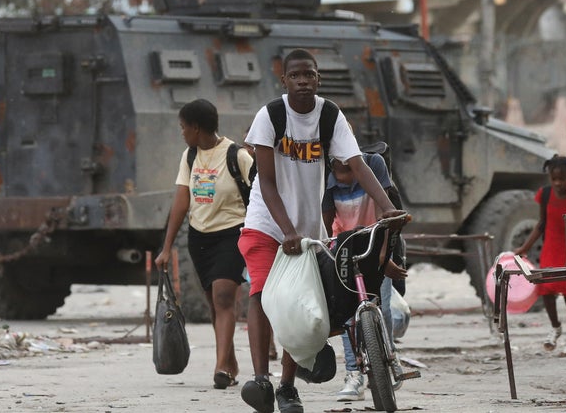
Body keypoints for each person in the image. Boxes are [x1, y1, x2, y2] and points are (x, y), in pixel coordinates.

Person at [239, 49, 402, 413]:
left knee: (299, 305)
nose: (302, 81)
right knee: (264, 295)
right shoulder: (270, 115)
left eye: (308, 75)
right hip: (267, 223)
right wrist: (286, 230)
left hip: (307, 228)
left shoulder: (329, 115)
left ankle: (286, 387)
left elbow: (358, 164)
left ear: (318, 79)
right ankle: (261, 380)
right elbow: (266, 182)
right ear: (284, 80)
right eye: (295, 75)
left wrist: (388, 207)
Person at [155, 99, 255, 390]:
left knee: (224, 298)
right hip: (199, 239)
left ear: (196, 127)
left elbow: (261, 195)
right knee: (214, 304)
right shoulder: (189, 157)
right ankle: (231, 361)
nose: (182, 132)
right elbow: (181, 201)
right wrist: (166, 247)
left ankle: (221, 365)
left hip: (232, 234)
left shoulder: (237, 155)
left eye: (183, 127)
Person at [322, 153, 407, 402]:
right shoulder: (326, 176)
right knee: (348, 315)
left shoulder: (372, 165)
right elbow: (326, 225)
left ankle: (389, 354)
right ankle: (353, 373)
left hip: (376, 240)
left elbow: (387, 212)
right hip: (344, 246)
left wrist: (385, 257)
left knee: (384, 306)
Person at [513, 155, 566, 356]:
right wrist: (524, 247)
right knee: (547, 292)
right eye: (554, 179)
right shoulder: (546, 194)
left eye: (563, 179)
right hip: (551, 249)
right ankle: (555, 327)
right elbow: (541, 224)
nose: (558, 183)